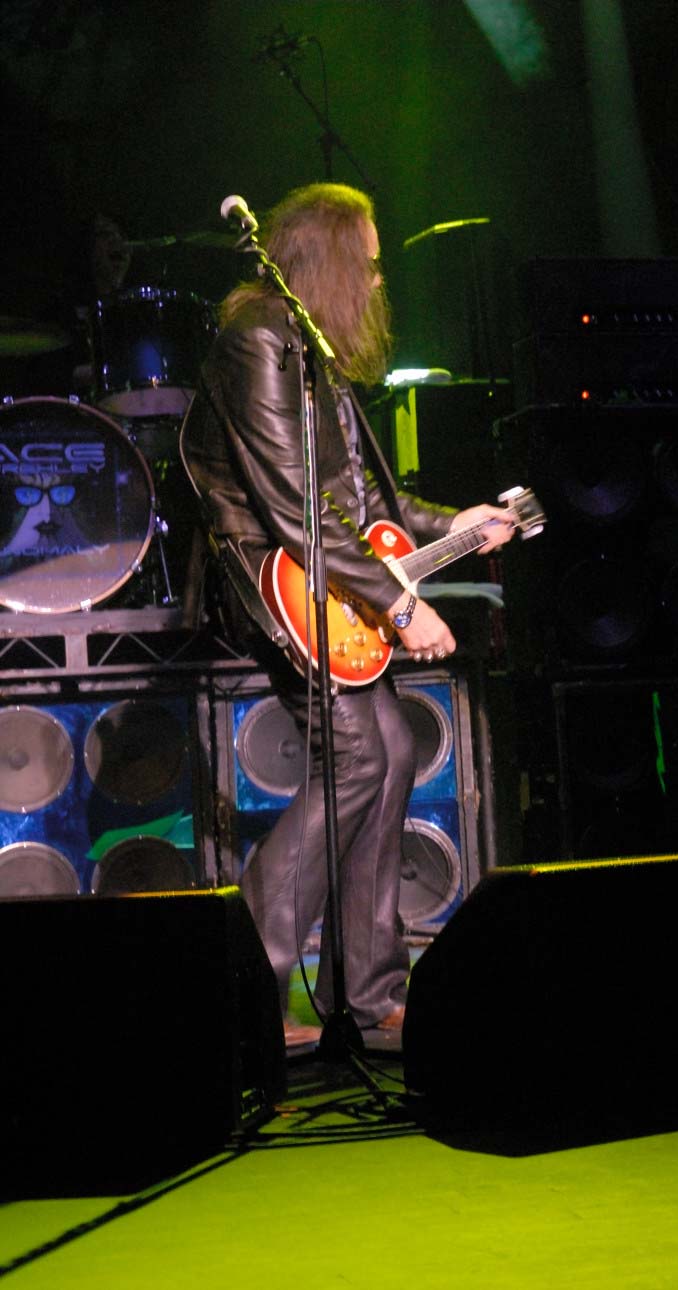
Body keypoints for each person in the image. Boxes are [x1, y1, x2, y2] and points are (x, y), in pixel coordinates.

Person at [180, 182, 514, 1047]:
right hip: (275, 580)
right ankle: (242, 993)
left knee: (389, 748)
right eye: (366, 263)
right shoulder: (257, 337)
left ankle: (364, 997)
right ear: (327, 259)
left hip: (327, 574)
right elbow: (292, 508)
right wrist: (401, 608)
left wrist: (455, 523)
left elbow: (362, 498)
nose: (375, 280)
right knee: (361, 754)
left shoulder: (308, 344)